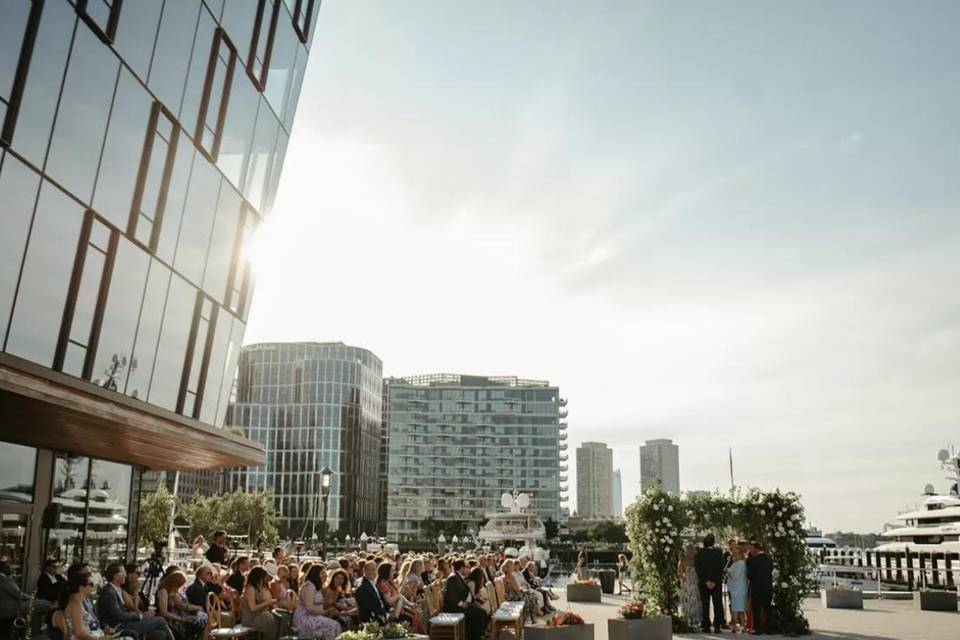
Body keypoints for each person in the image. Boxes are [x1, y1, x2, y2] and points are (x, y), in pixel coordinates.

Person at [97, 564, 174, 640]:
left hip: (126, 622)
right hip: (118, 626)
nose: (126, 575)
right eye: (124, 573)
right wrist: (141, 616)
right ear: (116, 576)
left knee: (160, 634)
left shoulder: (117, 589)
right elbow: (119, 615)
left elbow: (130, 607)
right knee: (160, 620)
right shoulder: (109, 592)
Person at [443, 559, 488, 640]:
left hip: (464, 604)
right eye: (466, 567)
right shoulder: (453, 577)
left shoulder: (457, 576)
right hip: (455, 607)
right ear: (461, 568)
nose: (468, 569)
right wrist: (460, 603)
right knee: (481, 613)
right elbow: (450, 595)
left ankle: (473, 635)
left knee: (480, 611)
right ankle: (474, 637)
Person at [292, 565, 340, 640]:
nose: (325, 575)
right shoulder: (309, 586)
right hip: (304, 618)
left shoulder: (317, 587)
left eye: (325, 573)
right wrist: (325, 612)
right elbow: (309, 608)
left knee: (336, 623)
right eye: (322, 573)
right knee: (333, 625)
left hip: (314, 616)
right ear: (316, 574)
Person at [155, 571, 206, 640]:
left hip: (176, 617)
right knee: (195, 623)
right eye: (179, 585)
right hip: (167, 620)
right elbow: (163, 612)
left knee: (201, 619)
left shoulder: (172, 592)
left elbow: (181, 605)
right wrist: (181, 619)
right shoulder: (163, 591)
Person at [61, 573, 109, 640]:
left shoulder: (78, 603)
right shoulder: (76, 605)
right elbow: (79, 634)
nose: (94, 585)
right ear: (81, 588)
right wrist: (99, 638)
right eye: (91, 584)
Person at [694, 534, 726, 633]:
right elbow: (721, 567)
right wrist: (715, 581)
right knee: (717, 603)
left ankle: (706, 626)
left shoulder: (700, 553)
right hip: (716, 582)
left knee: (705, 604)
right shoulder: (719, 552)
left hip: (704, 582)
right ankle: (717, 626)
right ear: (713, 542)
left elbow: (698, 568)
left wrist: (705, 580)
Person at [240, 567, 279, 640]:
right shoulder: (250, 588)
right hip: (251, 618)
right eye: (264, 577)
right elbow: (253, 608)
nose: (265, 579)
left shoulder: (261, 587)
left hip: (260, 615)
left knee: (278, 618)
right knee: (271, 621)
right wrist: (268, 603)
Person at [746, 542, 773, 635]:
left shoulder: (754, 560)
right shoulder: (769, 559)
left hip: (757, 587)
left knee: (756, 608)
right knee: (767, 608)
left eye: (752, 549)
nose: (751, 551)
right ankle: (768, 628)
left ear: (756, 549)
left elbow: (750, 574)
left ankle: (757, 629)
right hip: (768, 586)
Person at [678, 544, 702, 630]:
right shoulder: (683, 560)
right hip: (687, 584)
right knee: (687, 600)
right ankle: (687, 619)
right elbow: (679, 573)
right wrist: (684, 577)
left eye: (692, 550)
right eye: (689, 550)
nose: (691, 552)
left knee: (694, 601)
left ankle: (694, 620)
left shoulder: (696, 560)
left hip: (694, 584)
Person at [726, 547, 749, 633]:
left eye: (736, 553)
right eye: (733, 553)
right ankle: (743, 625)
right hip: (740, 589)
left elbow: (735, 577)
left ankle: (736, 625)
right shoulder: (741, 563)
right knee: (741, 609)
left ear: (740, 554)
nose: (734, 555)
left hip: (737, 589)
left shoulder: (739, 564)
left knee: (736, 609)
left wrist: (728, 572)